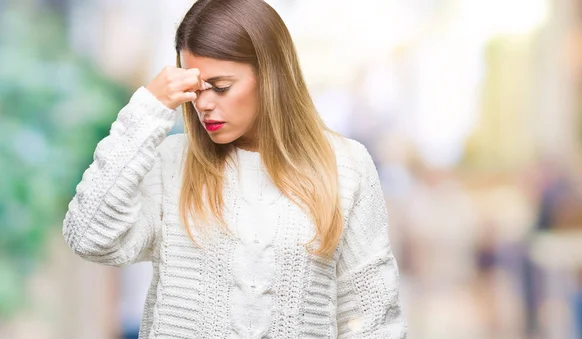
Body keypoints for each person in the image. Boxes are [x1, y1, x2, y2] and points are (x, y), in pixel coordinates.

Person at [62, 0, 407, 338]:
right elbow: (90, 236)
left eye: (221, 87)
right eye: (195, 90)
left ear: (271, 74)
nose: (204, 104)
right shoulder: (172, 162)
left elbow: (373, 319)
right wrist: (147, 109)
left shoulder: (346, 166)